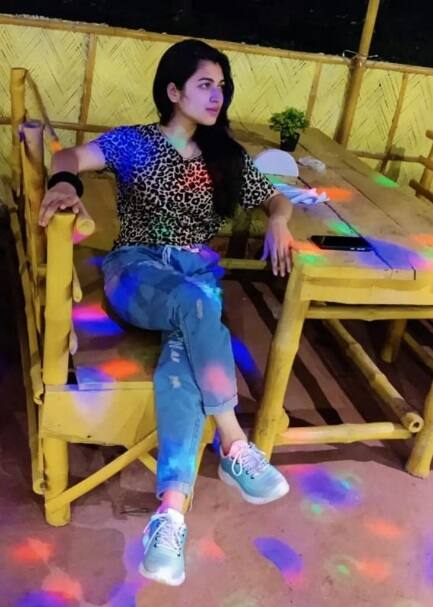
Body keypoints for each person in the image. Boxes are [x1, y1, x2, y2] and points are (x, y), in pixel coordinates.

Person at [39, 38, 299, 587]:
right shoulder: (135, 142)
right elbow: (68, 158)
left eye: (222, 86)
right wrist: (63, 184)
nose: (217, 95)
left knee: (184, 362)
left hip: (195, 282)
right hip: (135, 272)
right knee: (197, 306)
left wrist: (279, 219)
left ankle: (170, 515)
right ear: (174, 91)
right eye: (206, 84)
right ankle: (234, 442)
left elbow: (276, 197)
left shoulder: (225, 157)